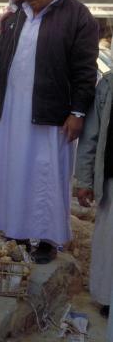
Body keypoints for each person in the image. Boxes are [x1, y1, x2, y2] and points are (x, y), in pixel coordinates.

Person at [0, 0, 98, 264]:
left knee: (46, 177)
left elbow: (85, 72)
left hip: (52, 116)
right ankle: (15, 234)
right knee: (15, 172)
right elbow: (0, 52)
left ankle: (45, 239)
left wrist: (78, 113)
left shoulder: (77, 16)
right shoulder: (16, 14)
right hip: (14, 111)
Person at [75, 72, 113, 319]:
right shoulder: (108, 85)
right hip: (111, 180)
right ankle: (107, 298)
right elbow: (91, 135)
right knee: (108, 243)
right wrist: (85, 181)